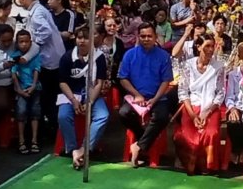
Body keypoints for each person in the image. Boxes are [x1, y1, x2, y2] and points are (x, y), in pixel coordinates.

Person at [118, 24, 174, 168]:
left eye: (149, 36)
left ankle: (139, 145)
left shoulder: (164, 56)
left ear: (155, 37)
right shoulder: (130, 54)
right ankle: (143, 138)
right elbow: (123, 78)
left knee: (162, 117)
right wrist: (137, 95)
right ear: (138, 37)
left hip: (157, 97)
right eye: (143, 36)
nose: (146, 39)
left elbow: (166, 81)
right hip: (136, 98)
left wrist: (155, 98)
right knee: (124, 113)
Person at [57, 27, 109, 170]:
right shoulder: (67, 57)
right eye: (80, 38)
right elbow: (62, 82)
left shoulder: (99, 57)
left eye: (86, 38)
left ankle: (85, 148)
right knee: (63, 116)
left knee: (103, 115)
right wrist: (73, 100)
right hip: (70, 94)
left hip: (91, 94)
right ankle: (72, 149)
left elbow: (99, 82)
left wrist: (90, 102)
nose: (82, 41)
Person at [176, 35, 226, 176]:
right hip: (191, 106)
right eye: (207, 46)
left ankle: (207, 165)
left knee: (211, 133)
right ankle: (191, 163)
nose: (211, 50)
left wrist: (208, 111)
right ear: (198, 47)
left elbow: (220, 93)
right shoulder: (188, 65)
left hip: (211, 107)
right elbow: (183, 91)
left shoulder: (219, 67)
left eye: (212, 46)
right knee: (189, 135)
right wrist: (192, 115)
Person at [20, 0, 64, 128]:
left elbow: (46, 31)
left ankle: (50, 123)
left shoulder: (38, 12)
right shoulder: (40, 10)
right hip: (53, 55)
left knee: (48, 95)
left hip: (49, 59)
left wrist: (34, 43)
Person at [9, 30, 43, 154]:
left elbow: (36, 71)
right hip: (21, 89)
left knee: (35, 113)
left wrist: (33, 86)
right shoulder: (15, 56)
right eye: (21, 42)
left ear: (30, 42)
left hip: (35, 88)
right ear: (17, 43)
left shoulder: (35, 56)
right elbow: (13, 74)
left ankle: (34, 140)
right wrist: (19, 90)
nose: (24, 44)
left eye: (26, 41)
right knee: (21, 112)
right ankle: (21, 141)